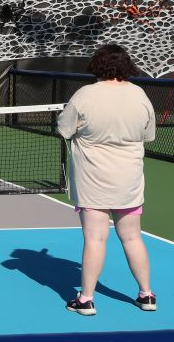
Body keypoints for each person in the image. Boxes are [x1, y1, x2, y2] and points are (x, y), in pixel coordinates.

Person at [56, 44, 157, 317]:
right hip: (129, 180)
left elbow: (64, 129)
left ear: (97, 65)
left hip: (93, 180)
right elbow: (148, 135)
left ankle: (86, 300)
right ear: (127, 66)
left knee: (95, 239)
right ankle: (146, 295)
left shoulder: (85, 95)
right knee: (133, 237)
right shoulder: (140, 95)